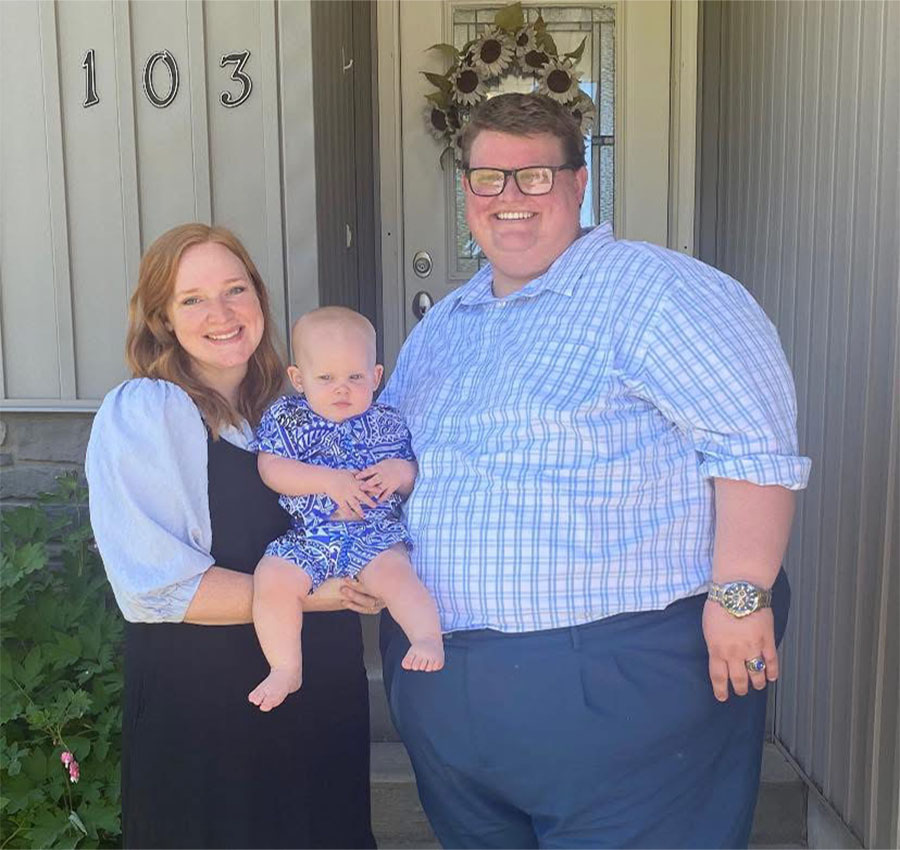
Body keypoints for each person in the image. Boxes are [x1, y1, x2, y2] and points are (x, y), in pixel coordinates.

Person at [379, 93, 812, 848]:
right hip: (446, 681)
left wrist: (742, 595)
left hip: (623, 677)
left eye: (535, 176)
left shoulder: (658, 292)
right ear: (466, 190)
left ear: (580, 184)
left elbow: (753, 447)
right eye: (487, 178)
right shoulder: (445, 324)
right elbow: (395, 462)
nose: (509, 197)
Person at [85, 224, 378, 849]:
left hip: (322, 691)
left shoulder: (299, 409)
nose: (221, 313)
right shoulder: (148, 412)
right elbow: (157, 589)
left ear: (259, 299)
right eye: (192, 299)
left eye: (235, 289)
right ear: (163, 318)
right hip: (210, 705)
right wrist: (318, 596)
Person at [247, 306, 444, 712]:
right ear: (298, 379)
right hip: (310, 537)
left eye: (355, 377)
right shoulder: (288, 418)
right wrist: (327, 481)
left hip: (373, 533)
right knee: (272, 578)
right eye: (326, 378)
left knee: (398, 575)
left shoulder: (386, 422)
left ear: (376, 376)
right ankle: (285, 666)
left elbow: (412, 474)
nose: (342, 389)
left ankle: (426, 637)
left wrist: (399, 472)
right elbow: (271, 468)